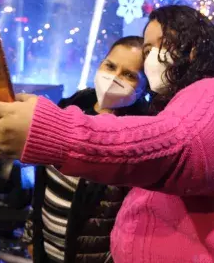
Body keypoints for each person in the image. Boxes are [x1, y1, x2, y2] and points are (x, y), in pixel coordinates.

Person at [0, 5, 214, 262]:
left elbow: (174, 147)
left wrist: (49, 132)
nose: (151, 56)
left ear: (191, 46)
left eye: (155, 46)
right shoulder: (201, 94)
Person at [21, 36, 149, 263]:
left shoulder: (142, 138)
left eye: (129, 75)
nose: (114, 78)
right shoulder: (66, 111)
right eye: (110, 66)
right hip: (47, 251)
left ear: (143, 89)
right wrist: (32, 237)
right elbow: (42, 184)